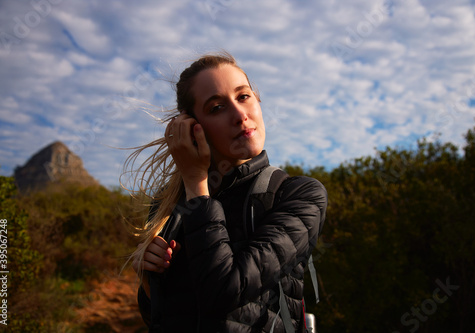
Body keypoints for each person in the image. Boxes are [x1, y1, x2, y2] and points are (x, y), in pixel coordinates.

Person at [127, 51, 328, 332]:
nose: (239, 115)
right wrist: (150, 283)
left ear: (257, 100)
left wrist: (196, 183)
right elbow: (162, 318)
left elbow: (225, 293)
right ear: (192, 127)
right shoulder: (169, 205)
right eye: (217, 107)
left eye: (243, 96)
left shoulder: (298, 194)